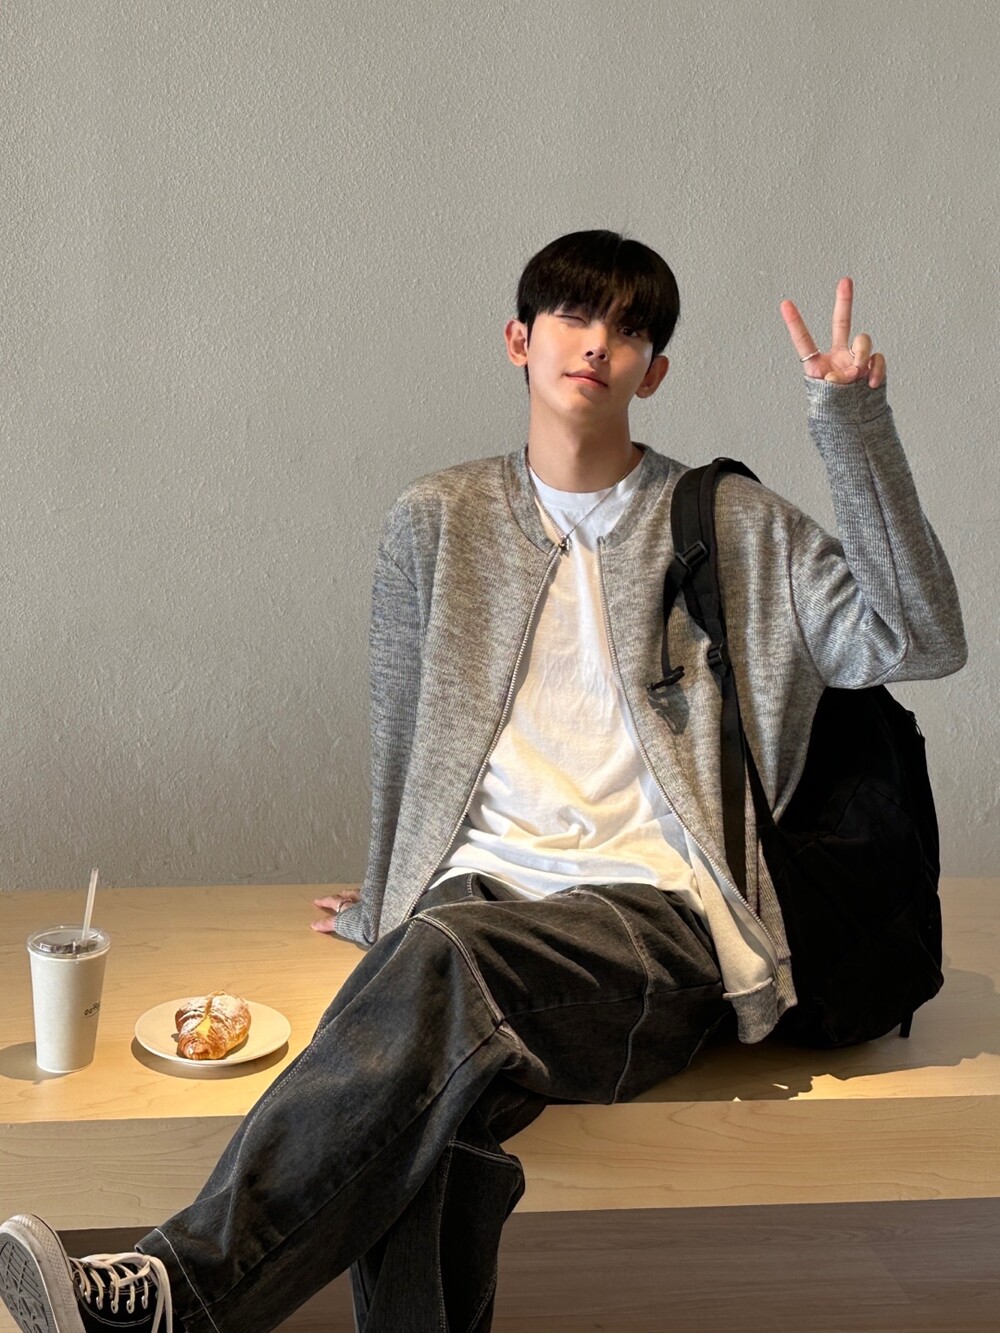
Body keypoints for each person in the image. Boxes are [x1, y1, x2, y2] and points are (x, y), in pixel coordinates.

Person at [0, 231, 967, 1333]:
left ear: (653, 371)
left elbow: (921, 637)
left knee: (440, 967)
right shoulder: (438, 519)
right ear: (519, 339)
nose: (596, 344)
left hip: (661, 919)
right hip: (474, 905)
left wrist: (853, 425)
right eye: (572, 316)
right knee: (436, 1118)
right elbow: (402, 738)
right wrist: (389, 897)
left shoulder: (736, 528)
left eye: (628, 331)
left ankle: (176, 1293)